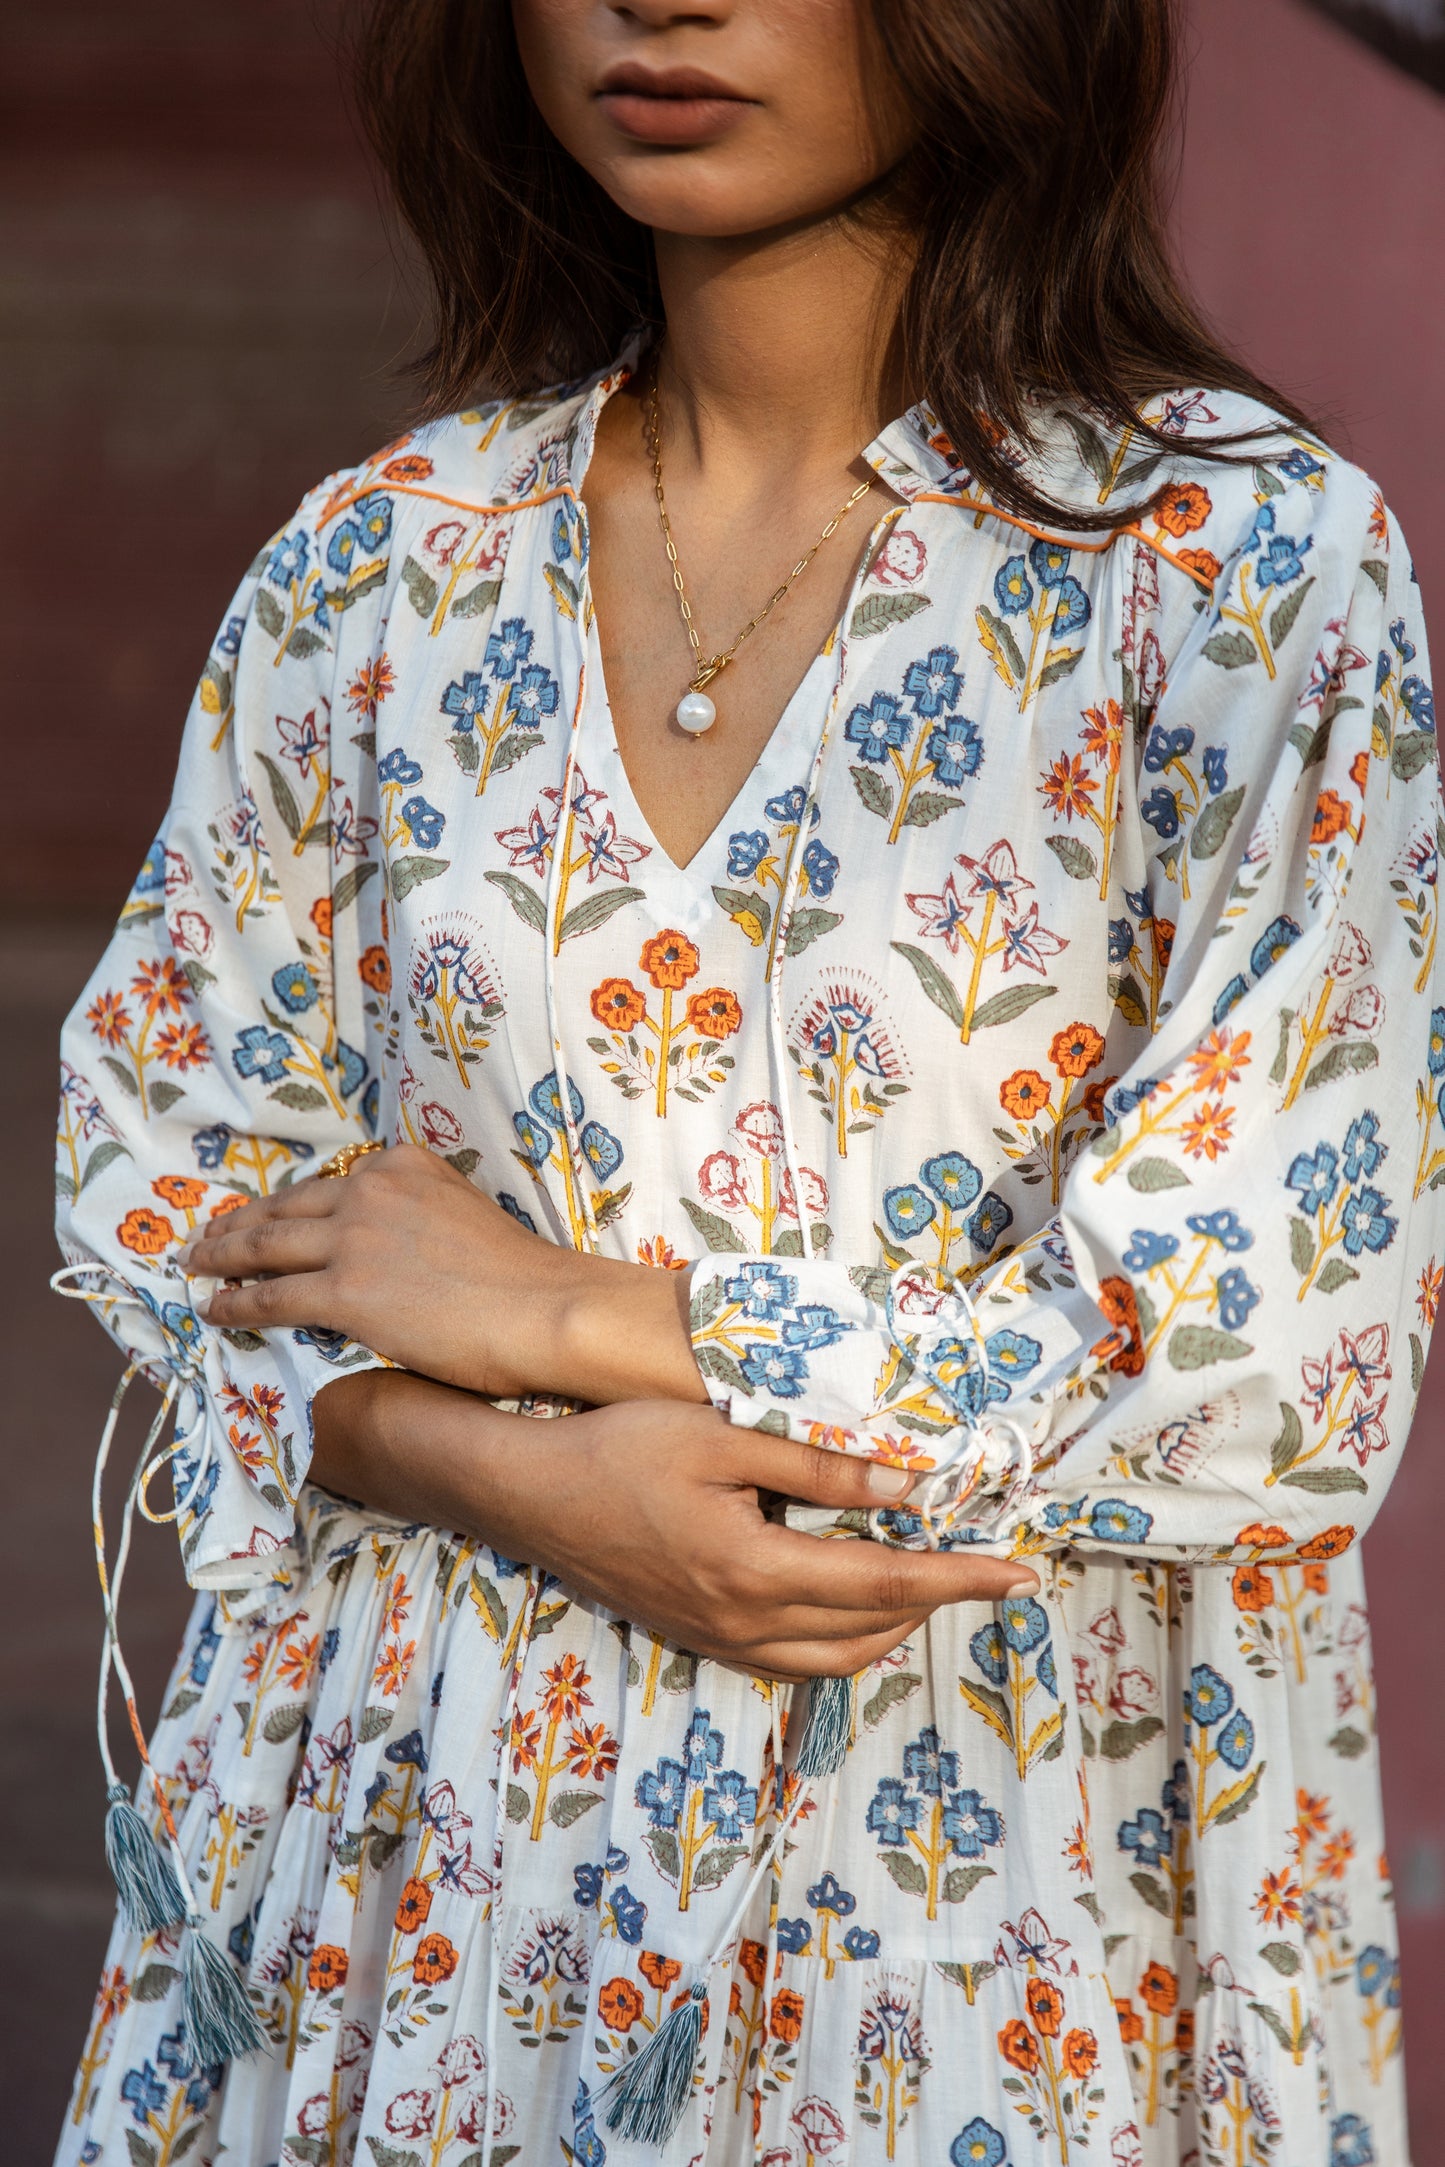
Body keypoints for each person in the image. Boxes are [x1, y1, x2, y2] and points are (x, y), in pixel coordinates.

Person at [54, 2, 1437, 2161]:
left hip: (993, 1913)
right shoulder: (374, 572)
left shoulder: (1240, 577)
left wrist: (568, 1317)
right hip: (423, 1902)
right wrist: (484, 1466)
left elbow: (1270, 1344)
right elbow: (170, 1189)